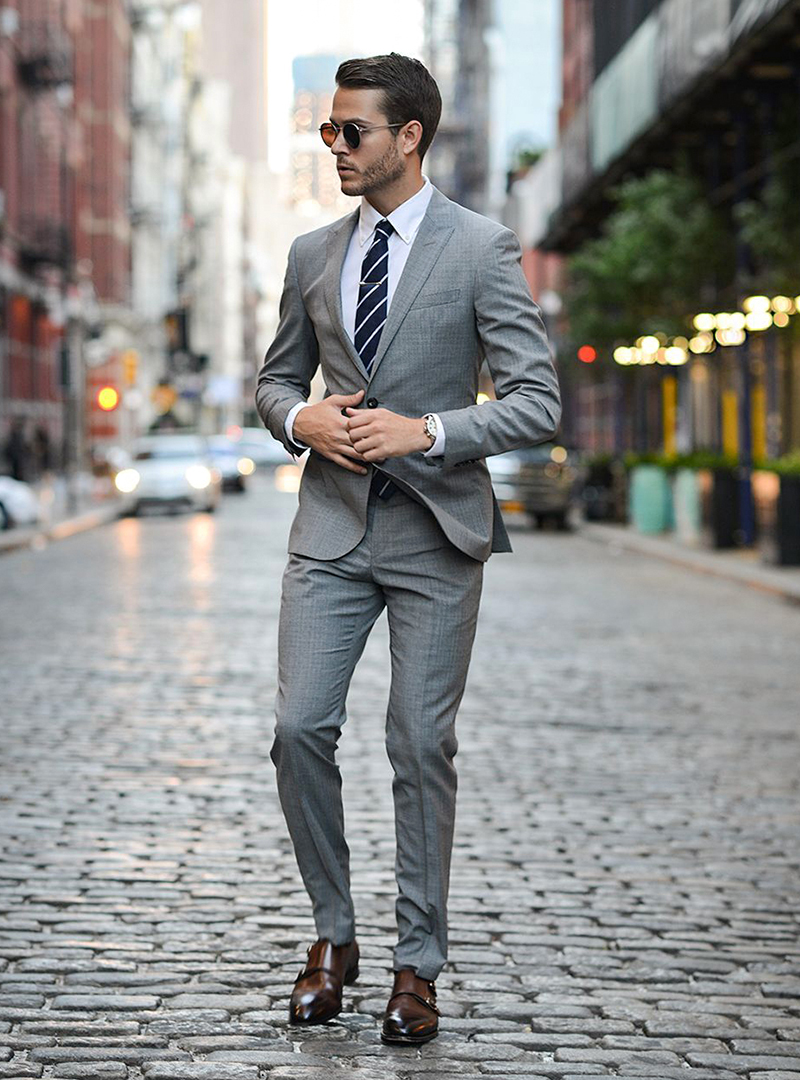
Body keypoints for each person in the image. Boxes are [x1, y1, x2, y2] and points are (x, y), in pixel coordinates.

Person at [255, 52, 560, 1046]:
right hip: (331, 528)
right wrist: (301, 421)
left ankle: (414, 964)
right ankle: (332, 937)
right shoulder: (310, 253)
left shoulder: (480, 248)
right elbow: (272, 383)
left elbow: (534, 402)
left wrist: (424, 431)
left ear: (409, 137)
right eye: (327, 131)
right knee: (299, 729)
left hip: (436, 532)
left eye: (351, 131)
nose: (333, 145)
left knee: (417, 746)